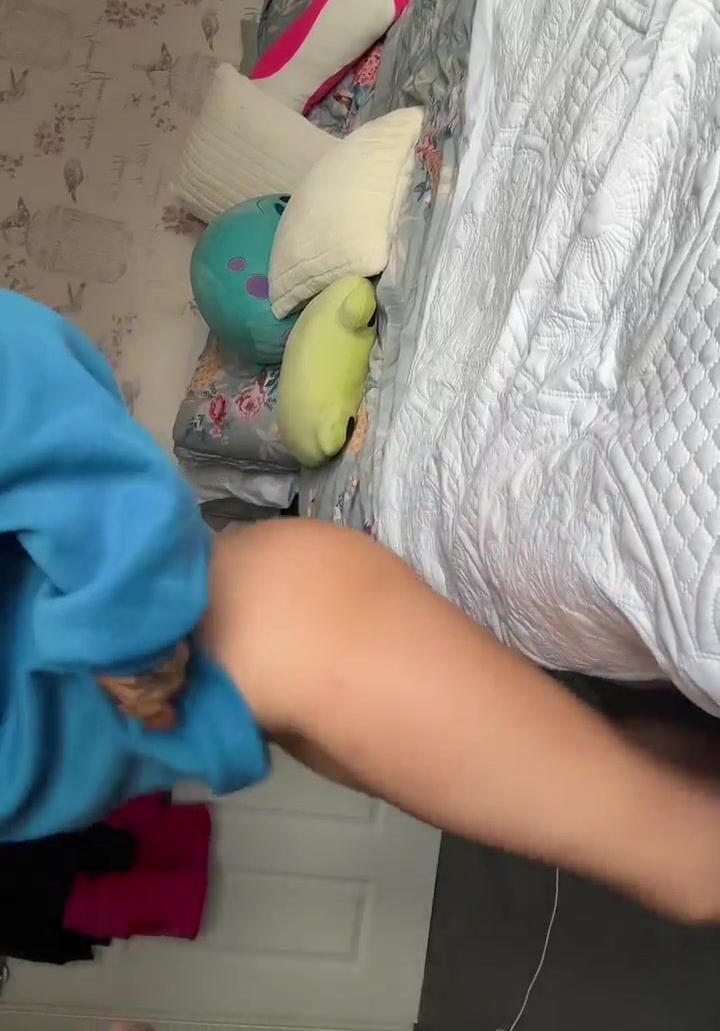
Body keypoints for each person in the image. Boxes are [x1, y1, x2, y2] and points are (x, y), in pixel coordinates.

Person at [2, 288, 720, 925]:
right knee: (277, 651)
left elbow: (21, 376)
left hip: (121, 687)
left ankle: (673, 821)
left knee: (279, 622)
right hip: (70, 743)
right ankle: (668, 813)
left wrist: (129, 632)